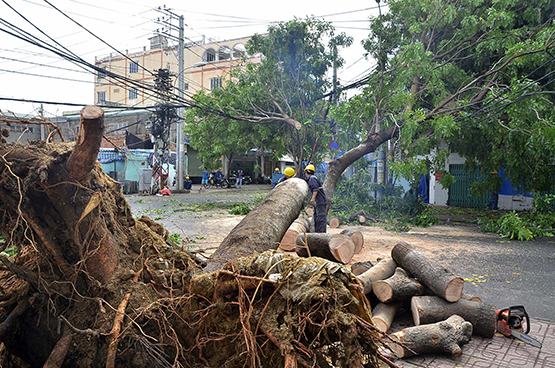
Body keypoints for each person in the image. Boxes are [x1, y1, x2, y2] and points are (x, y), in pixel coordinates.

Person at [304, 164, 327, 233]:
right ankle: (317, 234)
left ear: (307, 171)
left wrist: (312, 199)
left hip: (320, 202)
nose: (305, 174)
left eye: (305, 172)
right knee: (317, 218)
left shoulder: (312, 179)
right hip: (319, 201)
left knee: (320, 218)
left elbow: (315, 189)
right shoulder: (313, 178)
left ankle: (321, 234)